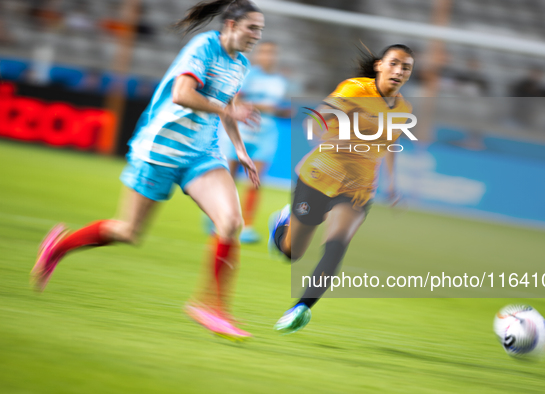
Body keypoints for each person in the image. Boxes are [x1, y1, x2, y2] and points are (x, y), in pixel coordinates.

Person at [31, 0, 265, 340]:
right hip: (159, 150)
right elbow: (182, 94)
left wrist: (240, 150)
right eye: (252, 28)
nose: (257, 35)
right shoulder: (203, 47)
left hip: (202, 153)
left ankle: (211, 306)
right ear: (230, 25)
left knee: (230, 222)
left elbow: (228, 106)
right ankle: (58, 248)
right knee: (128, 232)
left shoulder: (240, 64)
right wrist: (230, 112)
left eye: (260, 30)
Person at [269, 44, 414, 334]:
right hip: (318, 177)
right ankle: (281, 225)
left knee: (336, 246)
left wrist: (393, 182)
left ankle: (301, 308)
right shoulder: (355, 90)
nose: (399, 71)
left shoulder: (404, 108)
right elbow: (316, 118)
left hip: (359, 189)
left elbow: (390, 145)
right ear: (379, 65)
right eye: (394, 63)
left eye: (406, 67)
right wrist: (326, 142)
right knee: (291, 252)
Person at [220, 41, 289, 243]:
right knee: (228, 177)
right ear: (259, 55)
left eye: (272, 53)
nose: (269, 56)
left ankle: (247, 226)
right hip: (240, 132)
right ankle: (223, 216)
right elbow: (237, 101)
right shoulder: (247, 75)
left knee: (255, 181)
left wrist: (282, 112)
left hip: (265, 135)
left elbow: (274, 108)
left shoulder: (280, 81)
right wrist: (269, 108)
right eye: (265, 52)